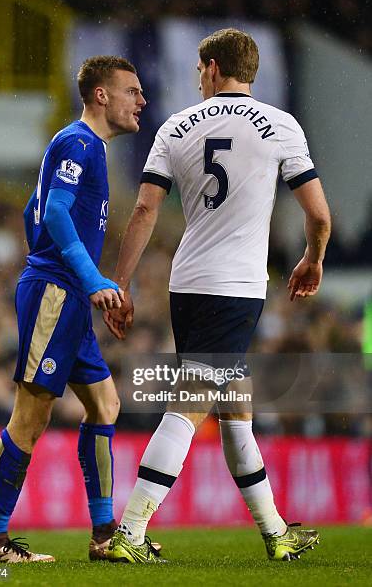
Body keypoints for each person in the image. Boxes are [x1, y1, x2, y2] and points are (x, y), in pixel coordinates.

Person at [103, 28, 331, 563]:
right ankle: (130, 532)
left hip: (188, 282)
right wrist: (312, 258)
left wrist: (122, 282)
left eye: (197, 70)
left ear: (209, 66)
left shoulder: (175, 125)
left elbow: (144, 210)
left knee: (236, 406)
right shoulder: (280, 126)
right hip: (237, 287)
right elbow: (318, 215)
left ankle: (275, 532)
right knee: (193, 401)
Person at [0, 56, 146, 563]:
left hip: (66, 295)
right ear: (101, 95)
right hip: (57, 295)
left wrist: (82, 276)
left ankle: (105, 536)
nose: (142, 100)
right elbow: (54, 213)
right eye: (132, 91)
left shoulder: (83, 148)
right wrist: (82, 277)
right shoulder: (78, 142)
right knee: (30, 417)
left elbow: (34, 210)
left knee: (104, 406)